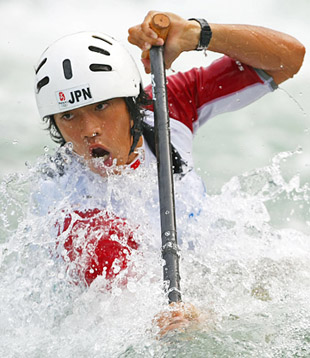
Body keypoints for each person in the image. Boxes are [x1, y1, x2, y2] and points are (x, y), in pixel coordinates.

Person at [33, 10, 305, 335]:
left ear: (133, 103)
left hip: (216, 262)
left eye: (101, 107)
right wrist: (197, 319)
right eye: (69, 117)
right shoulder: (70, 211)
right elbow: (128, 311)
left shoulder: (168, 104)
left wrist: (198, 35)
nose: (89, 130)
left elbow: (289, 58)